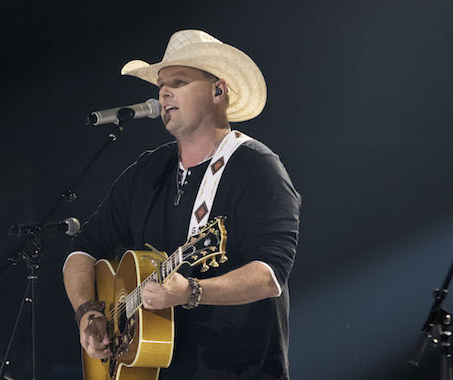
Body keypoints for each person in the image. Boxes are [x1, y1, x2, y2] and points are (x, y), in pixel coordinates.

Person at [63, 30, 301, 380]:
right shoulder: (147, 171)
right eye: (161, 85)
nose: (163, 93)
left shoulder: (256, 167)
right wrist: (88, 312)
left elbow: (269, 275)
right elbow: (81, 251)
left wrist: (192, 292)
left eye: (179, 81)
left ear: (218, 91)